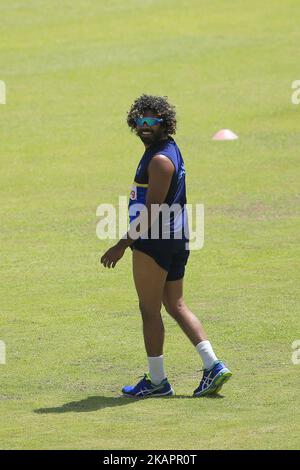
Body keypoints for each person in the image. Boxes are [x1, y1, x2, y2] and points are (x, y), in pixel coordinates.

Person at [100, 94, 232, 397]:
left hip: (154, 242)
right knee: (175, 304)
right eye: (141, 120)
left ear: (164, 123)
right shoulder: (167, 148)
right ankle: (213, 365)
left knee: (149, 309)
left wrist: (120, 245)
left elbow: (152, 211)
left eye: (152, 121)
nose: (145, 126)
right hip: (175, 237)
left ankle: (158, 382)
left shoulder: (159, 160)